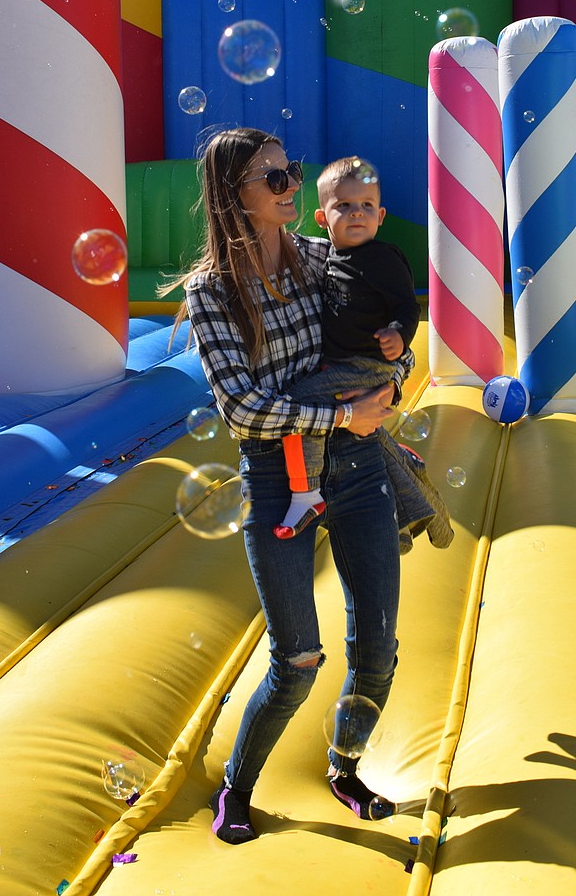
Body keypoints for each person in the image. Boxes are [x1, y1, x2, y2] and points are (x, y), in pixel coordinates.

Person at [166, 128, 410, 845]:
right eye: (274, 178)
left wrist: (394, 365)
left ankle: (344, 762)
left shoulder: (322, 254)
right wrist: (341, 410)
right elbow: (239, 406)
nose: (293, 186)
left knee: (378, 647)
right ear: (234, 196)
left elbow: (381, 332)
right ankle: (237, 785)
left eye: (292, 171)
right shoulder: (210, 291)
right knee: (297, 659)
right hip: (279, 475)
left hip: (357, 463)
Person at [274, 156, 420, 540]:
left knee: (298, 403)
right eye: (344, 206)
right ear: (322, 218)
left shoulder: (383, 258)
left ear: (381, 215)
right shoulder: (328, 256)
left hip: (365, 363)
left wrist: (398, 334)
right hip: (341, 363)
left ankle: (306, 495)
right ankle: (403, 494)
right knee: (357, 431)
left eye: (367, 206)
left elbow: (408, 306)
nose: (357, 214)